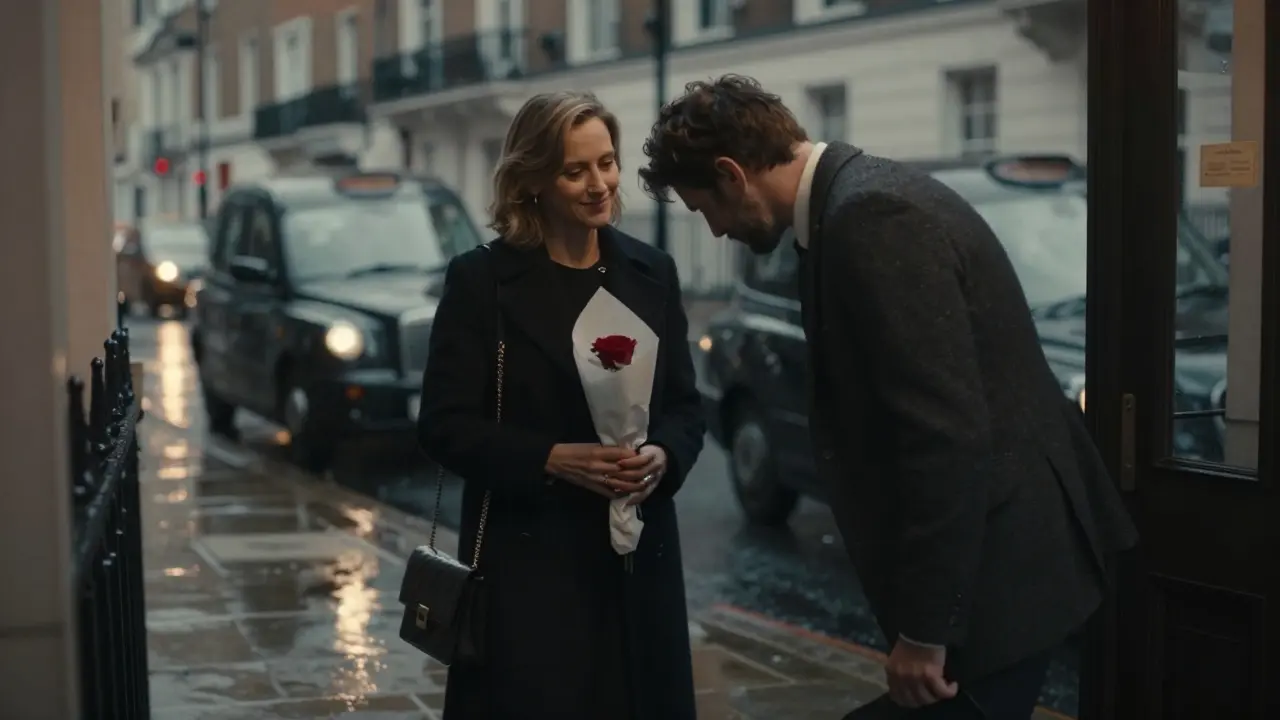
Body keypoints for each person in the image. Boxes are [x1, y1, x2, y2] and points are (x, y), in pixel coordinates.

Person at [637, 75, 1138, 719]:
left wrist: (927, 633)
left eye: (704, 207)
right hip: (1005, 569)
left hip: (997, 581)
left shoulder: (869, 218)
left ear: (733, 174)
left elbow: (945, 434)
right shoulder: (860, 196)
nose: (713, 231)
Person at [417, 91, 705, 720]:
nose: (599, 184)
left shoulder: (651, 272)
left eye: (607, 162)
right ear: (532, 180)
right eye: (575, 171)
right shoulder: (482, 282)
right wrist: (549, 458)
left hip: (638, 567)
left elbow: (686, 407)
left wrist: (663, 456)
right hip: (530, 568)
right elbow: (442, 424)